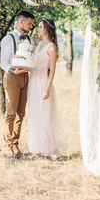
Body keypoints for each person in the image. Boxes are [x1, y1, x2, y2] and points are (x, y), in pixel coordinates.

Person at [0, 10, 36, 159]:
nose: (31, 27)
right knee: (11, 113)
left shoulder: (29, 39)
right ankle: (7, 145)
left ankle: (15, 143)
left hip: (25, 77)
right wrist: (13, 71)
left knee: (21, 113)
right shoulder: (8, 39)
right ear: (21, 22)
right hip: (12, 76)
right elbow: (4, 62)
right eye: (29, 23)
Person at [28, 18, 64, 159]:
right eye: (38, 26)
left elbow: (53, 70)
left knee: (45, 114)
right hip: (33, 81)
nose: (38, 29)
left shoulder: (51, 47)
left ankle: (47, 147)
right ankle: (36, 147)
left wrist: (47, 89)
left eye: (41, 27)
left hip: (43, 81)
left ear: (47, 29)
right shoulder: (39, 43)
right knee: (35, 112)